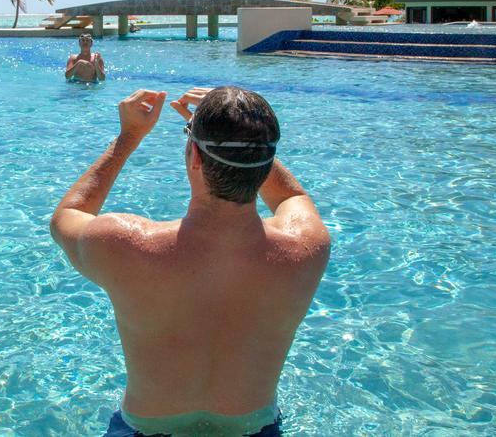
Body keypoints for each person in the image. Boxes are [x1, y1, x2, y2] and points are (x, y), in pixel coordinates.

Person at [50, 87, 330, 436]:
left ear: (195, 156)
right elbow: (291, 194)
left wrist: (129, 137)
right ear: (267, 159)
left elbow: (68, 215)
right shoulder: (306, 247)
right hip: (253, 429)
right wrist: (240, 135)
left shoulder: (124, 244)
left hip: (145, 429)